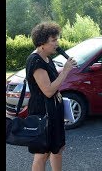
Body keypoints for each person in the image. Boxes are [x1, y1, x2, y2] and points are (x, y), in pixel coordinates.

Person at [25, 21, 77, 171]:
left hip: (54, 110)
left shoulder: (47, 58)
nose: (57, 43)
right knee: (42, 153)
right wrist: (66, 70)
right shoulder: (35, 61)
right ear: (42, 43)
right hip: (42, 112)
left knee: (58, 148)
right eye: (53, 40)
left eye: (57, 39)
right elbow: (48, 91)